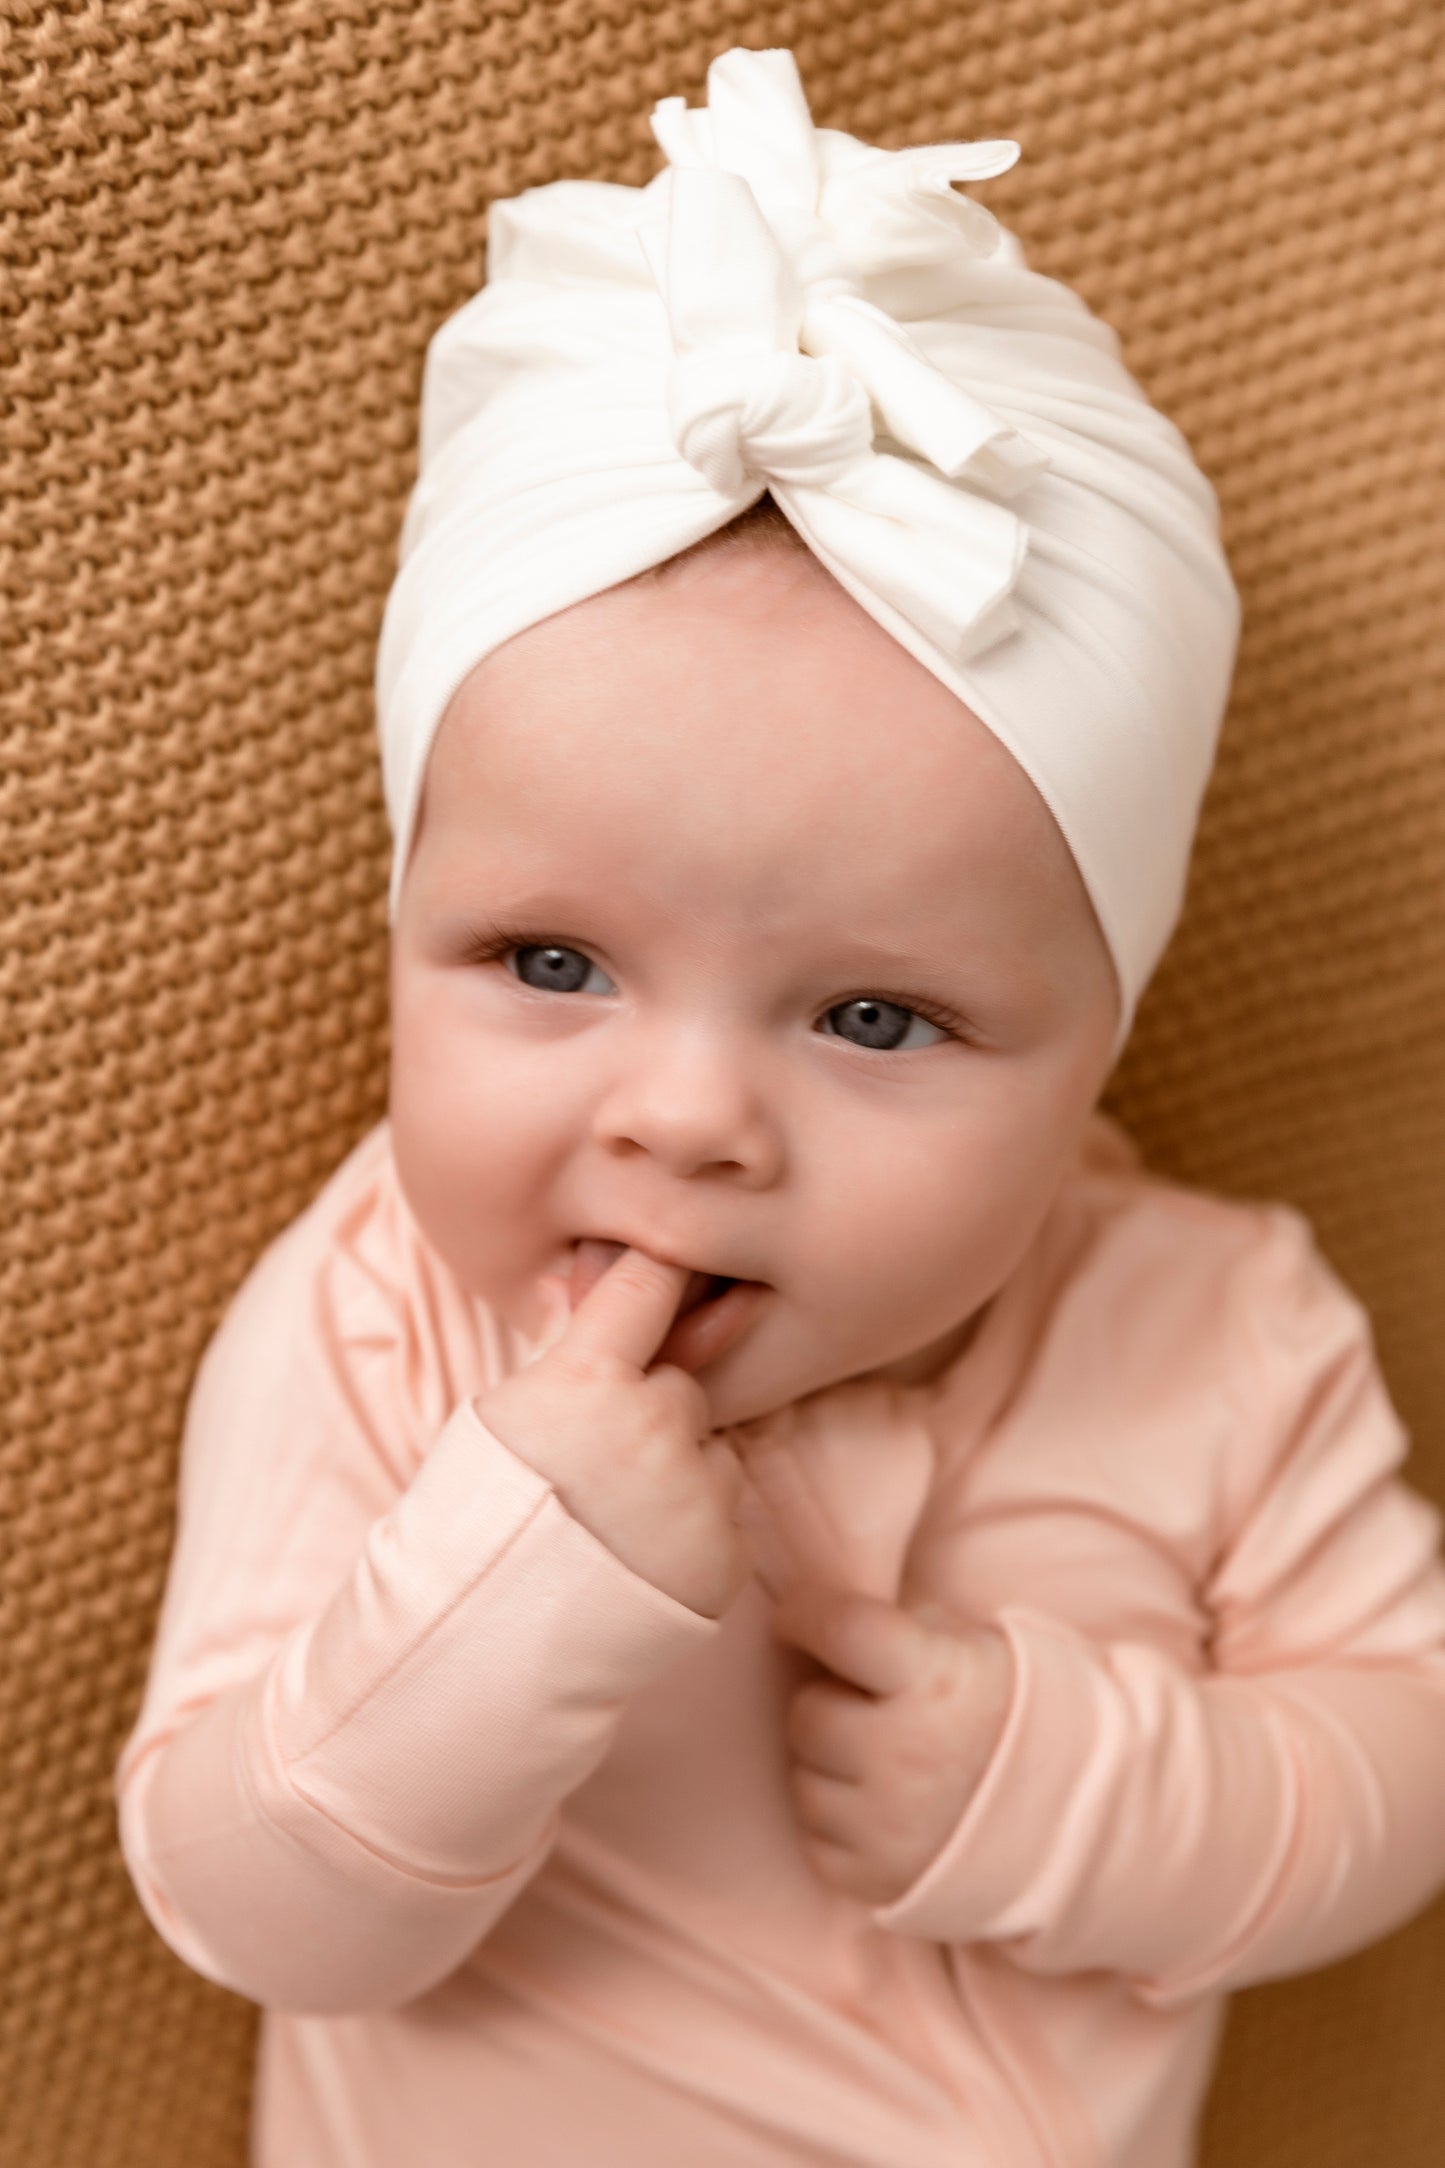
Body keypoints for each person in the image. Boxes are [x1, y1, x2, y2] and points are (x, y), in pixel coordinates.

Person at [113, 46, 1445, 2168]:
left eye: (878, 1018)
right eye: (552, 966)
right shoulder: (385, 1317)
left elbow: (1401, 1755)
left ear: (1100, 1034)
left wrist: (1076, 1786)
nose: (691, 1118)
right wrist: (502, 1582)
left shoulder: (1224, 1325)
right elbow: (251, 1905)